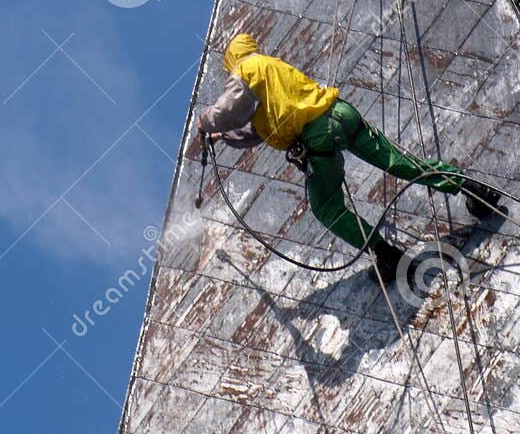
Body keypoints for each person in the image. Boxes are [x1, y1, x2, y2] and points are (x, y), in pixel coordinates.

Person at [197, 33, 502, 285]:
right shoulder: (273, 71)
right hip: (342, 114)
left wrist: (205, 122)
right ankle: (473, 190)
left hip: (317, 137)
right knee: (399, 162)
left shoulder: (245, 69)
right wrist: (222, 137)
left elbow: (228, 110)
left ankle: (388, 256)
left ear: (231, 61)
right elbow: (261, 128)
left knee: (326, 208)